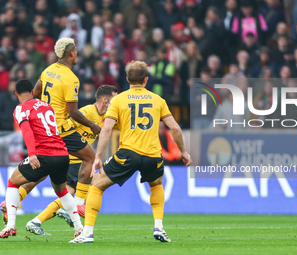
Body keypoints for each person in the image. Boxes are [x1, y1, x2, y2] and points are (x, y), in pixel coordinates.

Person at [69, 61, 190, 243]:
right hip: (153, 154)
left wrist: (98, 157)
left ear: (127, 79)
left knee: (96, 185)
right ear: (146, 80)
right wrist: (183, 151)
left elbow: (107, 128)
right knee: (156, 185)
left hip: (128, 153)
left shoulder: (118, 100)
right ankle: (159, 227)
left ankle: (87, 233)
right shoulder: (158, 100)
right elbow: (175, 128)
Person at [4, 85, 117, 235]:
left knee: (58, 187)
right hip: (67, 155)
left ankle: (33, 218)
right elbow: (65, 127)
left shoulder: (106, 116)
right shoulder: (87, 112)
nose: (117, 103)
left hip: (56, 153)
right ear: (105, 100)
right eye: (115, 99)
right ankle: (76, 208)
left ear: (17, 93)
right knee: (67, 189)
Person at [0, 79, 83, 238]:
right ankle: (79, 228)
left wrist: (31, 154)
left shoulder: (20, 108)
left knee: (13, 181)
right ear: (32, 91)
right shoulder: (46, 105)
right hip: (62, 154)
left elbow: (26, 131)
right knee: (62, 191)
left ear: (16, 94)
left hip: (43, 154)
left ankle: (11, 225)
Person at [33, 37, 101, 211]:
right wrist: (93, 126)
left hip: (45, 126)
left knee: (42, 167)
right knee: (90, 158)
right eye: (76, 50)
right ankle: (79, 203)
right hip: (61, 128)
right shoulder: (71, 78)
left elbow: (36, 92)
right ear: (71, 53)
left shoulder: (48, 70)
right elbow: (73, 112)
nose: (77, 53)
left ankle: (13, 198)